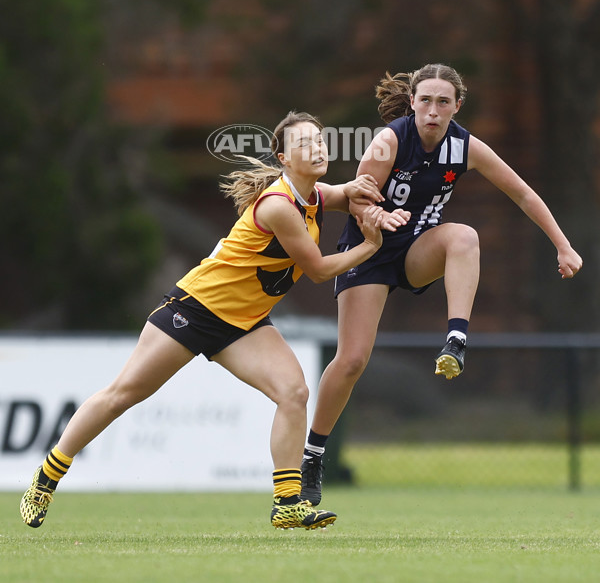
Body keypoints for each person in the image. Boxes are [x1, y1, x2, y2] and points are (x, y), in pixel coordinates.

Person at [20, 111, 388, 532]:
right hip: (194, 310)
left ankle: (287, 502)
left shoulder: (314, 195)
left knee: (294, 392)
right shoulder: (278, 206)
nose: (318, 149)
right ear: (284, 158)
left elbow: (343, 193)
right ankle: (46, 478)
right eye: (305, 144)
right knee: (122, 395)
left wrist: (366, 192)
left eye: (321, 142)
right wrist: (372, 245)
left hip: (244, 323)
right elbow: (321, 270)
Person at [300, 63, 583, 506]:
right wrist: (378, 216)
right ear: (412, 101)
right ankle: (313, 454)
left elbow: (523, 193)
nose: (433, 110)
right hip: (370, 248)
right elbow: (356, 201)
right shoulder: (388, 141)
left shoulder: (465, 146)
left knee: (464, 235)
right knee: (352, 360)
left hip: (417, 250)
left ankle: (456, 339)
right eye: (426, 100)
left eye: (443, 102)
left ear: (457, 106)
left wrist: (563, 246)